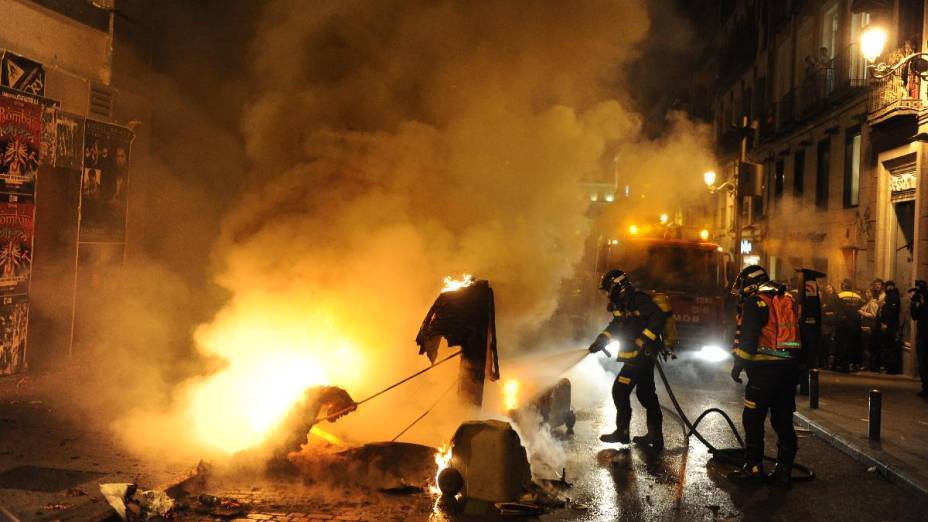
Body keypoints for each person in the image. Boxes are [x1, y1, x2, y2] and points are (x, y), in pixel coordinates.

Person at [728, 265, 801, 488]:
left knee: (753, 419)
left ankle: (753, 468)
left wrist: (737, 365)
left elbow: (748, 340)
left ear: (750, 282)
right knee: (783, 420)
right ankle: (784, 471)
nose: (740, 289)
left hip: (763, 373)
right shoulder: (785, 299)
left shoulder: (754, 302)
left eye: (742, 284)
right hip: (788, 370)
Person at [589, 269, 669, 450]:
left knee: (620, 390)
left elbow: (658, 317)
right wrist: (601, 340)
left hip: (642, 356)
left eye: (608, 289)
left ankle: (623, 432)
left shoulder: (637, 299)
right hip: (638, 357)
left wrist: (644, 339)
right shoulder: (622, 304)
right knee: (646, 394)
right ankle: (655, 436)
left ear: (616, 286)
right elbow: (616, 327)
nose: (607, 294)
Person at [836, 279, 863, 371]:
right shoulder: (858, 297)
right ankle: (854, 363)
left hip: (843, 323)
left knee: (843, 344)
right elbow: (860, 309)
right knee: (854, 344)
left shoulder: (839, 295)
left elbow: (837, 310)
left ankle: (844, 363)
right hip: (855, 323)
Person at [909, 280, 928, 397]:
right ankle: (925, 386)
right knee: (922, 362)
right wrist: (913, 303)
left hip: (925, 334)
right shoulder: (919, 301)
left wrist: (923, 303)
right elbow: (915, 316)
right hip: (921, 334)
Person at [881, 281, 902, 374]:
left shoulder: (893, 297)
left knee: (891, 347)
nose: (885, 288)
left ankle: (892, 368)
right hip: (888, 325)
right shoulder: (888, 296)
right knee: (888, 346)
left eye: (887, 286)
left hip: (891, 326)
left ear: (891, 287)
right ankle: (889, 367)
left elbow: (891, 313)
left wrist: (886, 324)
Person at [859, 287, 880, 371]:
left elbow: (873, 315)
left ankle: (868, 365)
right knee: (865, 347)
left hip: (868, 327)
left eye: (868, 292)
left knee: (866, 347)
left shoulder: (872, 303)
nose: (866, 294)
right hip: (865, 326)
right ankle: (867, 364)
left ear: (872, 293)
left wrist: (861, 312)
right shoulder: (868, 303)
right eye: (866, 292)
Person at [821, 283, 838, 369]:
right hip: (826, 323)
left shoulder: (836, 297)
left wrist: (832, 313)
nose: (829, 289)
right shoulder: (824, 299)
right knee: (826, 342)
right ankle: (825, 362)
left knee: (833, 342)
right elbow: (822, 310)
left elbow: (838, 309)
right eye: (826, 288)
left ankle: (832, 362)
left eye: (830, 287)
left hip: (834, 322)